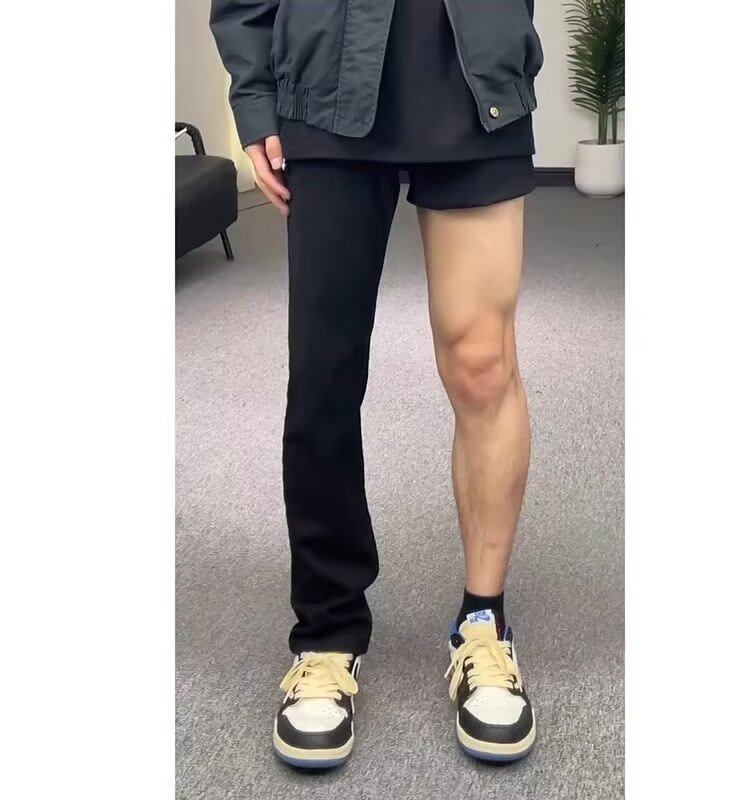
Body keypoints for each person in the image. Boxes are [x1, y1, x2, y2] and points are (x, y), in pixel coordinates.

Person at [210, 0, 544, 768]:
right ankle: (327, 634)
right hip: (325, 78)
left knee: (483, 363)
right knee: (323, 372)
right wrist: (255, 95)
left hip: (476, 77)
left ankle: (483, 624)